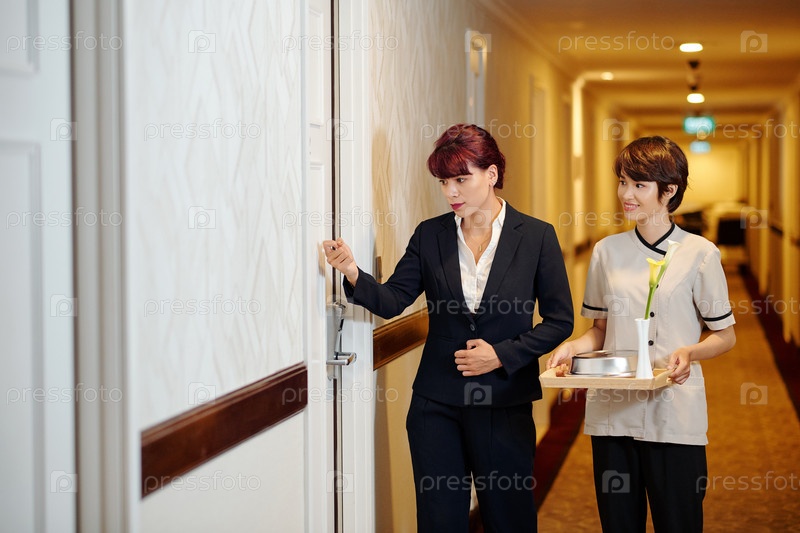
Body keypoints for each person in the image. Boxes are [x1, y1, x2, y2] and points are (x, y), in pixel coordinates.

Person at [324, 123, 573, 532]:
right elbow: (393, 300)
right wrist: (352, 271)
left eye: (461, 179)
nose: (451, 192)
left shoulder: (536, 237)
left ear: (491, 174)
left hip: (504, 403)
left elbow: (560, 321)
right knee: (439, 521)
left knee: (509, 519)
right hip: (436, 404)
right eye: (443, 182)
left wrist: (501, 355)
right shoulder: (430, 235)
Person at [547, 136, 736, 533]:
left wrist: (691, 352)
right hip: (613, 412)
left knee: (679, 522)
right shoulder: (607, 251)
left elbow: (725, 335)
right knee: (618, 523)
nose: (625, 194)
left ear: (669, 191)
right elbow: (600, 330)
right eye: (622, 182)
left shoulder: (700, 253)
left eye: (639, 185)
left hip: (674, 411)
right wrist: (573, 347)